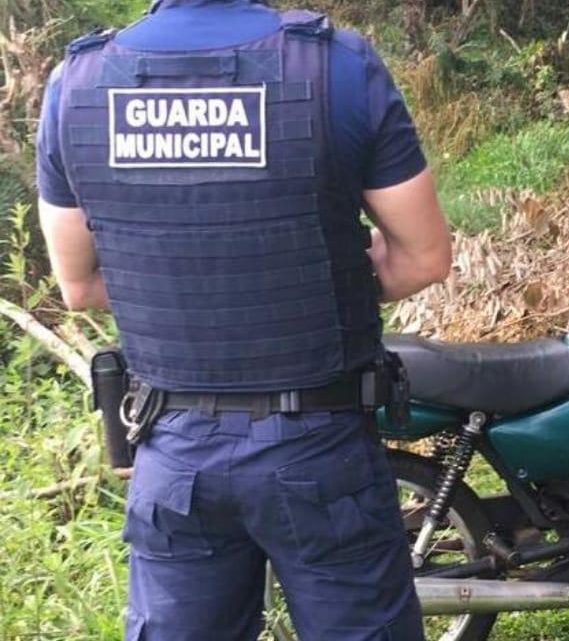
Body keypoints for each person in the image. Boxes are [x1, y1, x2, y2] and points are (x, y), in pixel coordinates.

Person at [35, 1, 451, 639]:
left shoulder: (78, 85)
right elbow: (421, 259)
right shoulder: (336, 66)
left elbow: (80, 285)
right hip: (319, 445)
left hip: (174, 453)